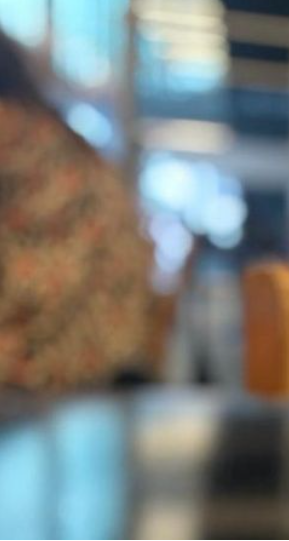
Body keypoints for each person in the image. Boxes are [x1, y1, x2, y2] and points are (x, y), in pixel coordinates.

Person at [0, 30, 153, 390]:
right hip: (93, 372)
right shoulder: (52, 143)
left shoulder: (29, 149)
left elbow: (29, 287)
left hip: (59, 376)